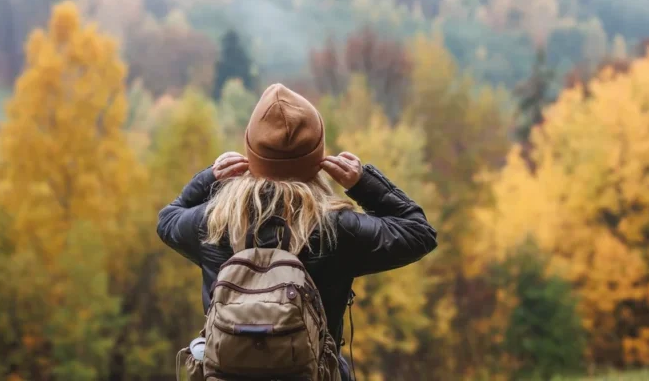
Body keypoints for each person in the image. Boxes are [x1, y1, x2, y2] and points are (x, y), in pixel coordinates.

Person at [157, 83, 438, 380]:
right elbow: (419, 233)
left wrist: (209, 177)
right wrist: (362, 183)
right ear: (318, 159)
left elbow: (167, 220)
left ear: (250, 153)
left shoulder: (214, 222)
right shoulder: (336, 228)